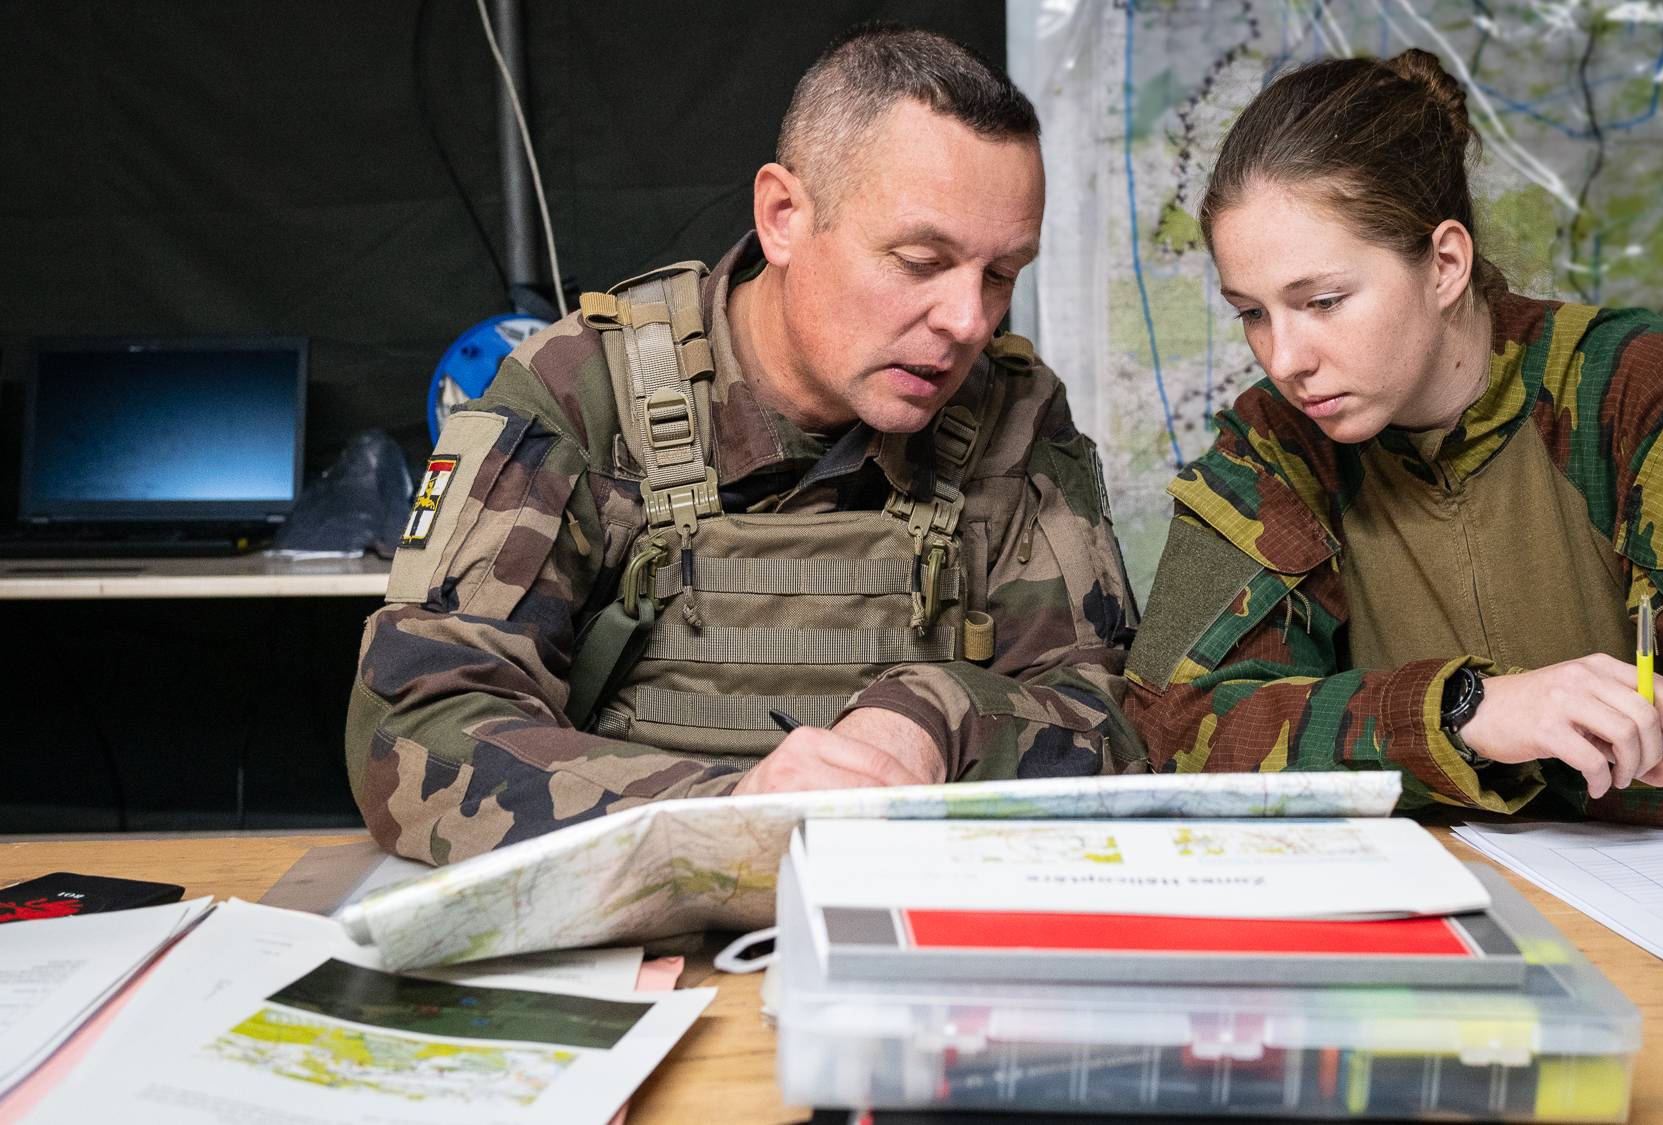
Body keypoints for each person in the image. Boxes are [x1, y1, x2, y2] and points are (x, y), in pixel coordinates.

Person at [349, 25, 1141, 865]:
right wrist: (728, 814)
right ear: (783, 217)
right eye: (920, 260)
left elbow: (1117, 719)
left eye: (1001, 274)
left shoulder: (1013, 415)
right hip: (646, 935)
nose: (969, 321)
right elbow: (413, 728)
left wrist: (941, 717)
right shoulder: (585, 392)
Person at [1123, 50, 1663, 833]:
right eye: (1253, 313)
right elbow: (1174, 730)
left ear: (1443, 264)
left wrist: (1538, 748)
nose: (1284, 358)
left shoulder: (1640, 397)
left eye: (1323, 301)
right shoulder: (1272, 443)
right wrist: (1468, 715)